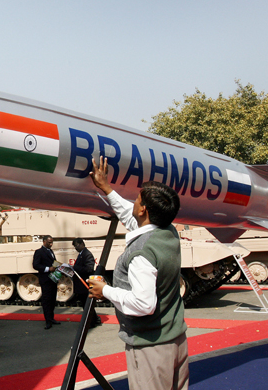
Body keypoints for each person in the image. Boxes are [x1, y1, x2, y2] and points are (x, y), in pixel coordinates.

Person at [88, 156, 189, 390]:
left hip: (150, 347)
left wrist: (106, 291)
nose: (132, 202)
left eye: (136, 199)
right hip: (176, 340)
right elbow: (130, 217)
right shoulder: (168, 232)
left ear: (143, 209)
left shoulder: (141, 253)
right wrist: (107, 189)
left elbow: (144, 305)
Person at [71, 238, 101, 327]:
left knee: (86, 304)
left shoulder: (87, 254)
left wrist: (75, 268)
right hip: (81, 285)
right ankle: (94, 320)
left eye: (76, 245)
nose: (75, 248)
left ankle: (91, 322)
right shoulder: (81, 254)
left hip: (84, 284)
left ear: (81, 244)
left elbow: (89, 269)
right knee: (86, 304)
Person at [32, 235, 60, 329]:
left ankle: (51, 318)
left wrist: (57, 266)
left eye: (52, 242)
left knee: (52, 300)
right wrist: (48, 269)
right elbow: (35, 265)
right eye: (49, 242)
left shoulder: (51, 251)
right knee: (47, 301)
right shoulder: (39, 252)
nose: (51, 244)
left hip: (53, 279)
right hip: (45, 280)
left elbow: (53, 261)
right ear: (44, 241)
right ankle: (48, 321)